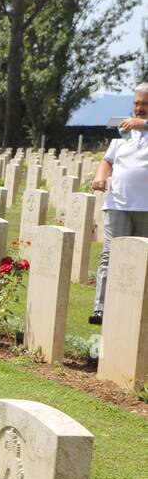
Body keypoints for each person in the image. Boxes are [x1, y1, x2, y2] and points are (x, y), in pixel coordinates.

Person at [90, 83, 148, 325]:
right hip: (118, 203)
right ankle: (101, 309)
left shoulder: (139, 125)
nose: (139, 107)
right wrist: (99, 176)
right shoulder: (123, 130)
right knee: (109, 255)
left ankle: (139, 311)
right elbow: (108, 159)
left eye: (144, 103)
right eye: (136, 103)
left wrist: (143, 125)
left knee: (143, 261)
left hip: (146, 207)